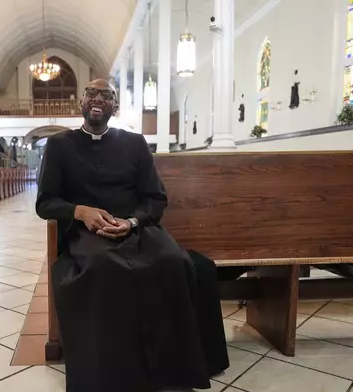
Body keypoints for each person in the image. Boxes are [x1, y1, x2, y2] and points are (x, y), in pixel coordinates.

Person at [35, 79, 230, 392]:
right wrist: (81, 211)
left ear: (115, 106)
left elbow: (155, 197)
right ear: (81, 103)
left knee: (172, 262)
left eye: (107, 95)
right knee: (102, 269)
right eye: (91, 93)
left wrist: (133, 222)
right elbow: (45, 203)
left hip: (137, 229)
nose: (98, 99)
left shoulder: (135, 143)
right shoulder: (59, 145)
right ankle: (113, 374)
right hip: (89, 233)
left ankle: (173, 369)